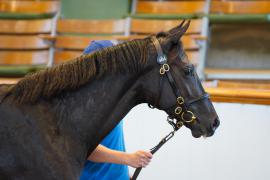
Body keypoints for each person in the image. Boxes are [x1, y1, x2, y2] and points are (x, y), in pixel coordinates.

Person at [80, 40, 153, 180]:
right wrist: (128, 159)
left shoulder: (109, 97)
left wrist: (125, 174)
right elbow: (86, 149)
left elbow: (113, 142)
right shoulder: (85, 102)